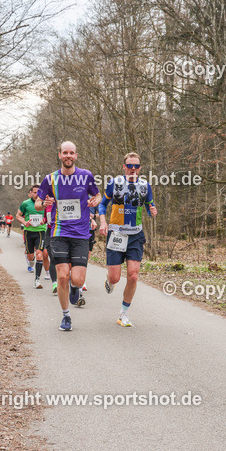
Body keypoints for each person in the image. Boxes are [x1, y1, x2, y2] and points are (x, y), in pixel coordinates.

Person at [38, 141, 101, 331]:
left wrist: (94, 202)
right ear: (59, 155)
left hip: (81, 233)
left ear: (76, 155)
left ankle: (76, 288)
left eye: (71, 153)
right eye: (65, 152)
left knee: (78, 279)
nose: (68, 156)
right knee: (63, 276)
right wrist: (45, 202)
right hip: (59, 232)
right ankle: (66, 316)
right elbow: (38, 204)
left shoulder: (86, 176)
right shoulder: (50, 179)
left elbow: (98, 195)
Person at [98, 152, 157, 327]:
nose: (133, 169)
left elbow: (148, 206)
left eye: (136, 166)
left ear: (140, 168)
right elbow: (102, 204)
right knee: (115, 277)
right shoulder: (114, 183)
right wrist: (103, 221)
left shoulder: (145, 186)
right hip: (116, 233)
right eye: (129, 166)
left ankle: (123, 313)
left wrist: (152, 211)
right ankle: (110, 280)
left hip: (135, 235)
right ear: (124, 167)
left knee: (133, 275)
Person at [17, 186, 46, 286]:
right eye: (34, 192)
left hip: (41, 231)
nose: (36, 194)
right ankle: (31, 262)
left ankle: (37, 280)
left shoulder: (45, 203)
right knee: (30, 256)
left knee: (39, 253)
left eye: (38, 192)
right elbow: (18, 215)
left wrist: (45, 221)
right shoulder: (25, 203)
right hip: (28, 231)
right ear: (31, 193)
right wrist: (25, 223)